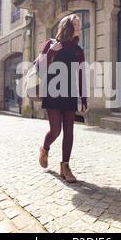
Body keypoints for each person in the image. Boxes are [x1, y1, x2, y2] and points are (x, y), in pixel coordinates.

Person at [38, 14, 87, 183]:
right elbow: (41, 70)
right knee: (56, 130)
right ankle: (45, 148)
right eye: (75, 24)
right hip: (52, 91)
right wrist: (51, 53)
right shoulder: (51, 44)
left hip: (70, 92)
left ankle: (65, 166)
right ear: (67, 26)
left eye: (79, 24)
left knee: (69, 131)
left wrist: (84, 98)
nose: (78, 27)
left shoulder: (78, 51)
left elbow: (81, 75)